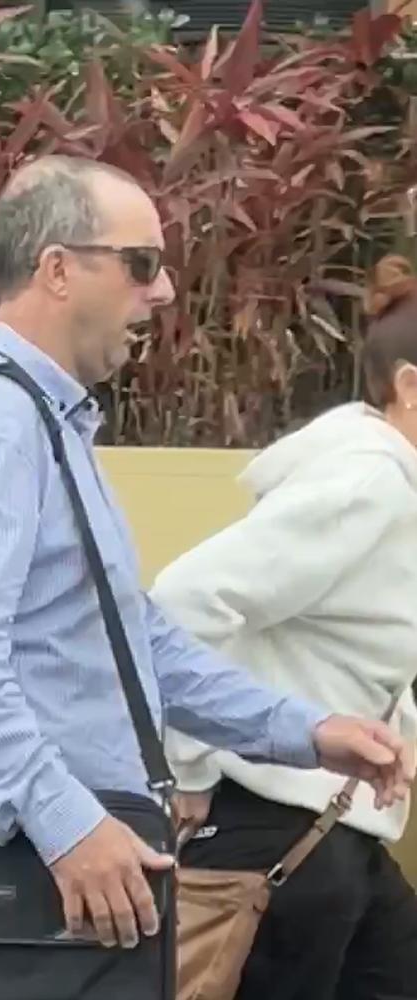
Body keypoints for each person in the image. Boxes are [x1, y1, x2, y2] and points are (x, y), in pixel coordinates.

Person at [0, 157, 410, 958]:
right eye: (141, 265)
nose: (161, 293)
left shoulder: (46, 424)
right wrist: (69, 824)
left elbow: (133, 643)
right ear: (57, 269)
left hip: (43, 876)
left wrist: (304, 731)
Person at [151, 254, 417, 998]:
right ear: (409, 390)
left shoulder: (389, 487)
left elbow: (351, 638)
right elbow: (184, 599)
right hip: (275, 829)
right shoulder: (367, 480)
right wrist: (193, 765)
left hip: (333, 832)